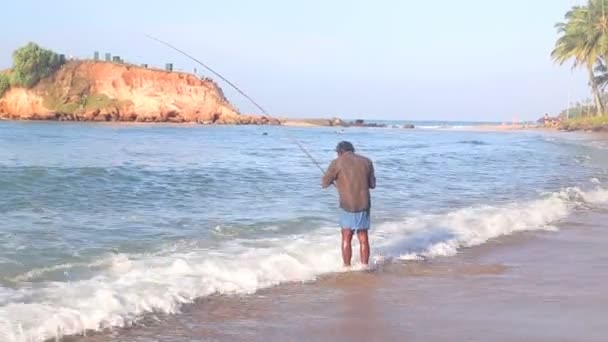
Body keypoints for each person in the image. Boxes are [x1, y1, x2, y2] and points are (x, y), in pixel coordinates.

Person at [322, 141, 376, 267]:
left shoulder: (336, 162)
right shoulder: (366, 161)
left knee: (346, 236)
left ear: (340, 152)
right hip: (363, 204)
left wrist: (333, 180)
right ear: (352, 150)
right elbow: (372, 185)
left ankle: (346, 266)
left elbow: (324, 184)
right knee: (363, 236)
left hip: (346, 205)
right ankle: (364, 266)